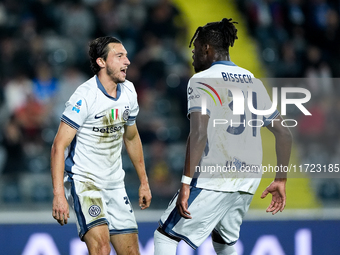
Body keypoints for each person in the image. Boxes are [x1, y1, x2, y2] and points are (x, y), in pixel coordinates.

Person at [154, 18, 292, 255]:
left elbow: (198, 133)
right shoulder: (252, 81)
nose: (193, 55)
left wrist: (185, 183)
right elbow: (283, 132)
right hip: (247, 179)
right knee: (224, 242)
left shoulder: (201, 80)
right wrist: (281, 179)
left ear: (207, 48)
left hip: (215, 176)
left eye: (195, 48)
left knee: (164, 236)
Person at [51, 36, 152, 255]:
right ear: (101, 62)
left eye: (126, 55)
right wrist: (59, 193)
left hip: (115, 184)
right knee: (101, 248)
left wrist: (144, 181)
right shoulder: (84, 97)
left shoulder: (129, 92)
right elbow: (59, 145)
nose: (127, 61)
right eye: (120, 56)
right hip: (85, 182)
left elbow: (132, 137)